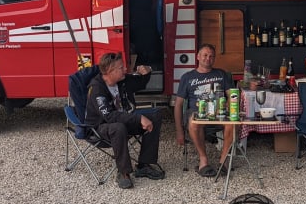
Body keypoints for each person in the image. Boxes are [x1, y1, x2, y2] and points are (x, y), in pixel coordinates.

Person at [86, 52, 165, 189]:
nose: (125, 70)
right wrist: (139, 117)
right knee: (118, 127)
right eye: (121, 68)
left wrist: (147, 71)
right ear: (110, 71)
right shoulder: (97, 89)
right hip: (101, 127)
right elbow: (109, 116)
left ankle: (144, 165)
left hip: (125, 120)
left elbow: (140, 83)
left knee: (156, 114)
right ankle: (123, 172)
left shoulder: (122, 80)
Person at [174, 43, 235, 177]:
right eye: (205, 55)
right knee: (194, 122)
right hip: (197, 112)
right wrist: (179, 131)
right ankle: (203, 160)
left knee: (233, 122)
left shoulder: (221, 74)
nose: (208, 58)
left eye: (211, 56)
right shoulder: (187, 77)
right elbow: (178, 104)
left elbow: (231, 94)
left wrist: (230, 107)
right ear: (198, 57)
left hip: (219, 112)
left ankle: (224, 161)